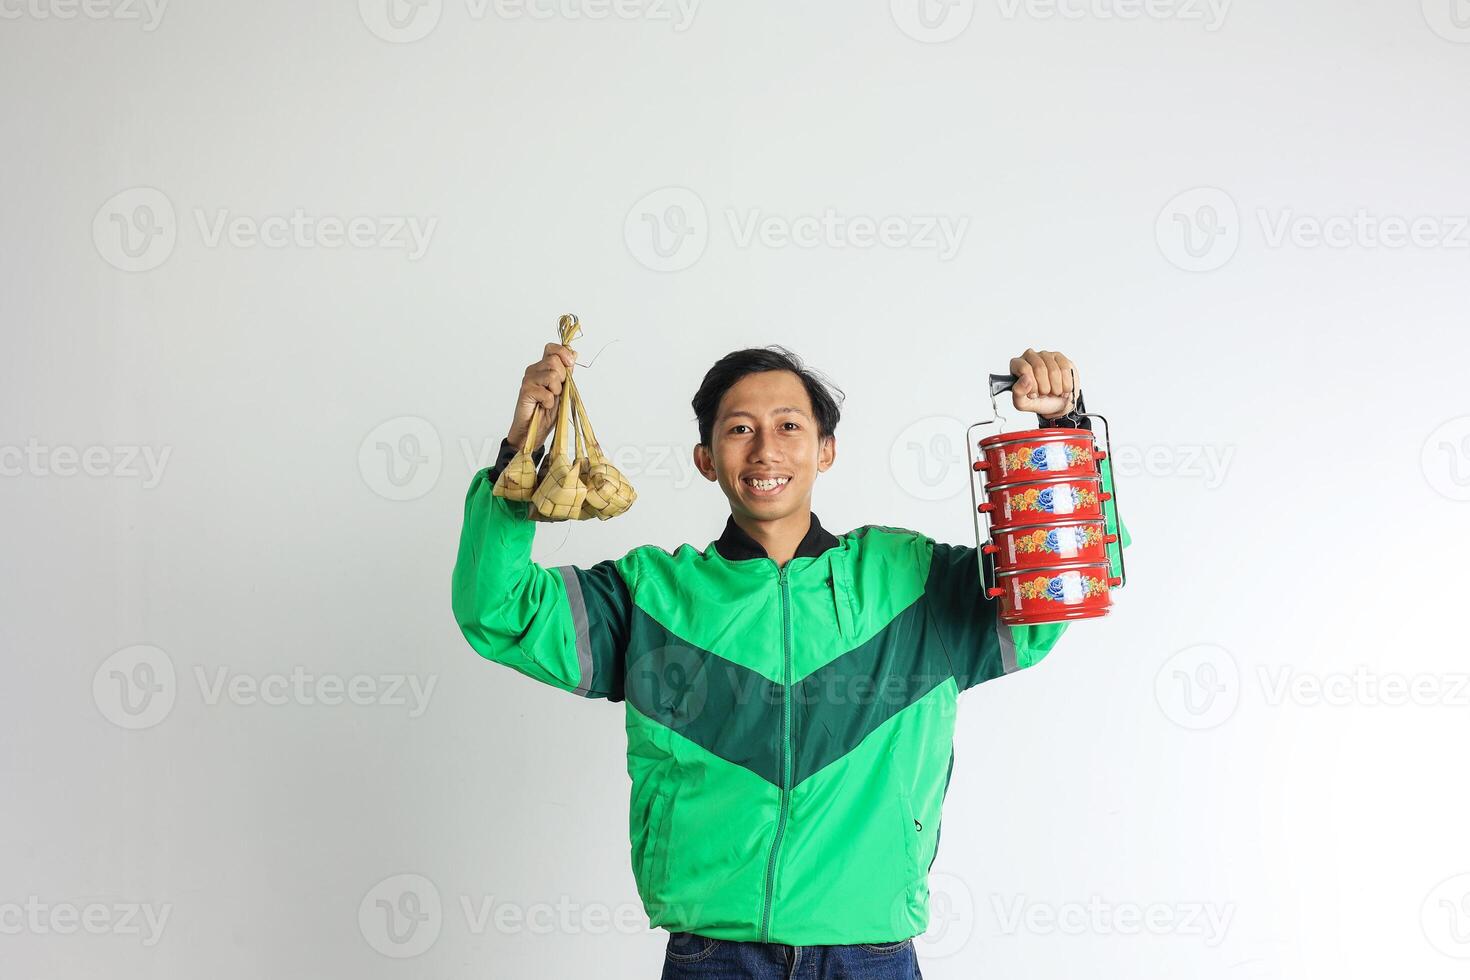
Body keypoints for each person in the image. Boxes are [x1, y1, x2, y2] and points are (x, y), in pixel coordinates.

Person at [452, 343, 1130, 979]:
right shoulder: (649, 595)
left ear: (826, 450)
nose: (765, 449)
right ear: (705, 458)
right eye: (739, 430)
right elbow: (498, 609)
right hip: (712, 958)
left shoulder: (911, 581)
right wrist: (522, 450)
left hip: (871, 955)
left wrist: (1062, 431)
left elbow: (1065, 586)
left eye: (788, 427)